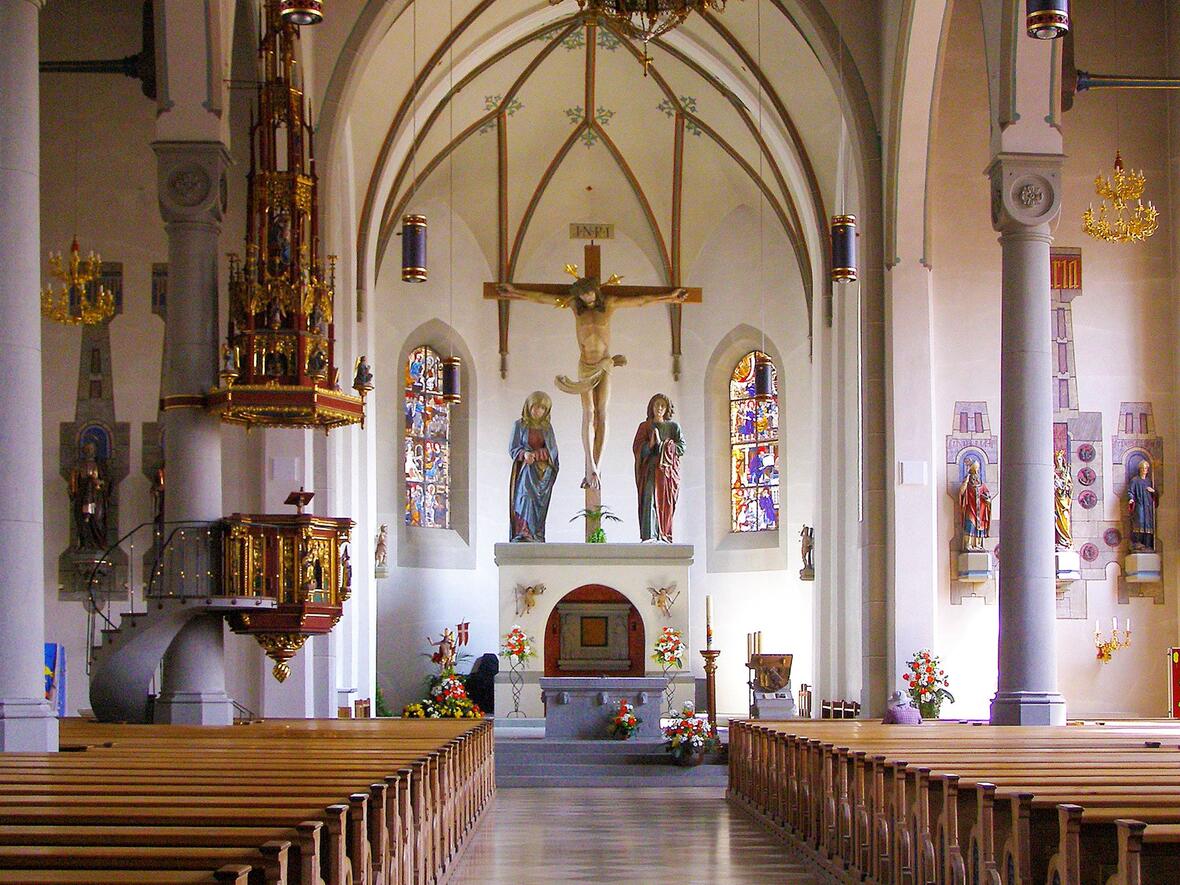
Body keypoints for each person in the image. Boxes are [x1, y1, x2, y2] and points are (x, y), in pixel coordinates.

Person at [497, 273, 687, 491]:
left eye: (589, 293)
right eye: (582, 295)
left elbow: (641, 300)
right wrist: (515, 292)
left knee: (602, 413)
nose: (587, 299)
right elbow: (542, 297)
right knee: (588, 413)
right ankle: (589, 465)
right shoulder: (575, 308)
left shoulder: (610, 304)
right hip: (585, 365)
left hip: (605, 365)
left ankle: (598, 464)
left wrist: (669, 297)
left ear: (596, 290)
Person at [633, 393, 685, 542]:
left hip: (666, 473)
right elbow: (637, 448)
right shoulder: (644, 427)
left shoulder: (673, 427)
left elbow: (681, 447)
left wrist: (664, 445)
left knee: (664, 502)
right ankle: (649, 535)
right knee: (649, 498)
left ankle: (664, 534)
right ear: (651, 407)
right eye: (657, 405)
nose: (659, 408)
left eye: (663, 406)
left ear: (667, 408)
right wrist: (649, 445)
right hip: (649, 470)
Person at [509, 391, 560, 542]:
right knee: (524, 498)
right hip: (526, 472)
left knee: (539, 506)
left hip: (543, 476)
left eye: (542, 408)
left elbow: (553, 451)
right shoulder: (519, 425)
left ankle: (536, 533)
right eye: (535, 407)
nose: (538, 411)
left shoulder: (547, 428)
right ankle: (523, 532)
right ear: (528, 407)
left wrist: (538, 455)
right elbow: (513, 448)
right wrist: (524, 454)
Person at [69, 442, 109, 550]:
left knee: (96, 519)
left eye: (91, 449)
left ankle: (98, 543)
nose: (89, 451)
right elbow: (74, 484)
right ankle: (84, 544)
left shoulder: (100, 465)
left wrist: (97, 482)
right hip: (82, 496)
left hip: (96, 497)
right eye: (87, 449)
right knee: (82, 521)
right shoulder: (79, 466)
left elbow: (107, 482)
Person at [958, 457, 992, 551]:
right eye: (974, 471)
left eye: (976, 471)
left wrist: (988, 500)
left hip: (980, 509)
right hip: (971, 508)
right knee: (970, 524)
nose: (975, 475)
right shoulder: (968, 483)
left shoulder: (982, 484)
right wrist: (966, 481)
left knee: (980, 526)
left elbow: (987, 494)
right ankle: (967, 544)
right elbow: (961, 492)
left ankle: (978, 544)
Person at [1128, 459, 1159, 552]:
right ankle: (1137, 542)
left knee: (1148, 523)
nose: (1145, 470)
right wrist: (1131, 498)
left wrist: (1153, 491)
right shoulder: (1135, 480)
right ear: (1140, 469)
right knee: (1140, 522)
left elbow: (1155, 493)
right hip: (1140, 504)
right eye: (1143, 468)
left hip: (1148, 505)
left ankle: (1147, 544)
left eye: (1146, 468)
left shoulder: (1149, 481)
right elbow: (1130, 491)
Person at [1054, 450, 1072, 550]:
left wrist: (1064, 487)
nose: (1058, 461)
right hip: (1055, 501)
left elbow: (1070, 487)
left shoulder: (1065, 473)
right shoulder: (1052, 473)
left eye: (1060, 459)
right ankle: (1061, 542)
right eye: (1057, 459)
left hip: (1063, 502)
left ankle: (1065, 540)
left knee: (1064, 520)